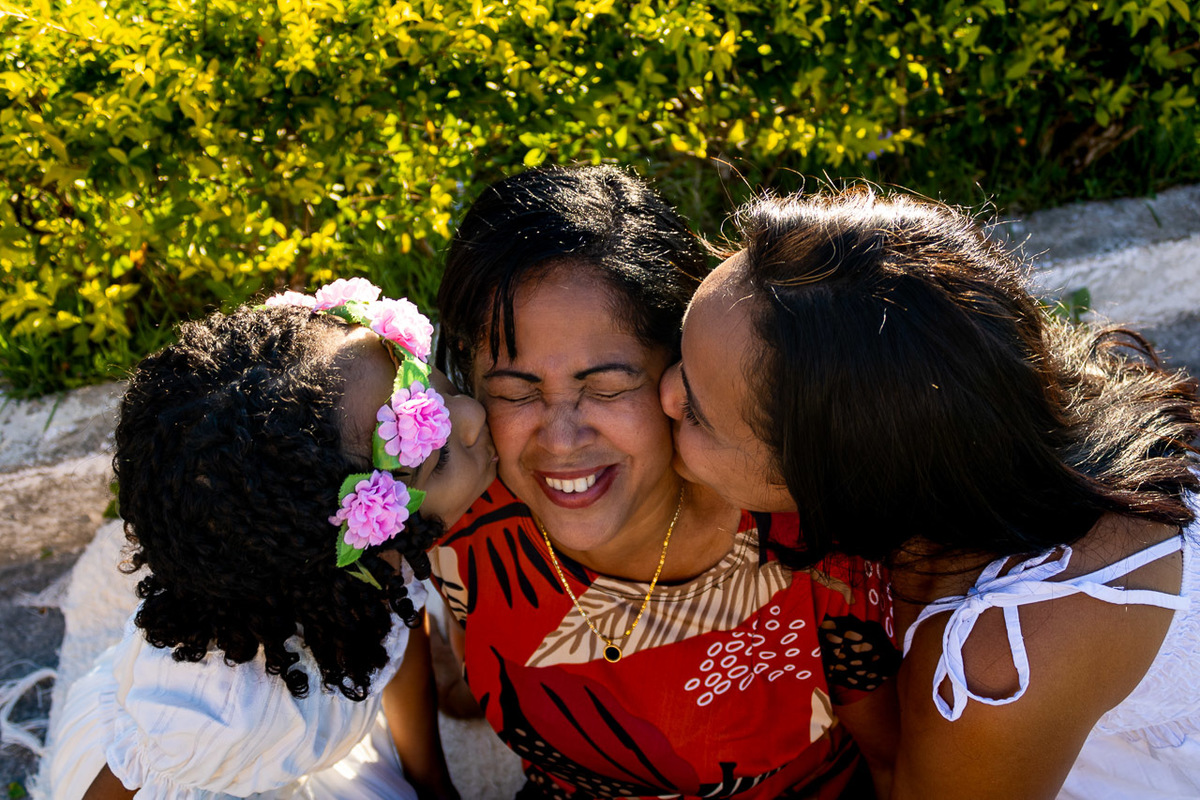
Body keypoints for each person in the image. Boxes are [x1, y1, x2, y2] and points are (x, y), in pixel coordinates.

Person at [660, 187, 1200, 799]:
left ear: (836, 476)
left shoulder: (996, 663)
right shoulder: (1021, 424)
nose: (664, 395)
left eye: (698, 414)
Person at [430, 165, 902, 799]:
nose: (562, 440)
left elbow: (897, 765)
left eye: (606, 387)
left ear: (680, 371)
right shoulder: (464, 524)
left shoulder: (802, 536)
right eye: (517, 393)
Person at [47, 280, 496, 800]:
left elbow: (395, 638)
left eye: (430, 389)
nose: (472, 414)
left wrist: (433, 786)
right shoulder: (211, 714)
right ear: (354, 538)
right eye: (433, 458)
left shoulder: (379, 571)